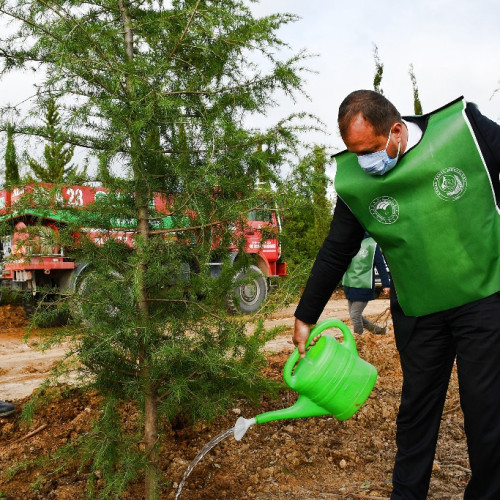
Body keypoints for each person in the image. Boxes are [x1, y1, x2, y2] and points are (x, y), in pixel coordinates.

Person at [293, 89, 500, 499]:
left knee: (487, 413)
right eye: (354, 153)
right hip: (419, 309)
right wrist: (305, 314)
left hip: (483, 299)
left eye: (370, 149)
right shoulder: (357, 182)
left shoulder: (465, 131)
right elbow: (337, 247)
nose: (365, 162)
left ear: (397, 130)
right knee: (415, 416)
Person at [343, 233, 390, 335]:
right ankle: (379, 331)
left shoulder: (372, 244)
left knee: (355, 315)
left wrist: (386, 284)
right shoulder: (350, 241)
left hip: (363, 286)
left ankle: (358, 341)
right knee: (354, 315)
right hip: (350, 284)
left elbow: (381, 265)